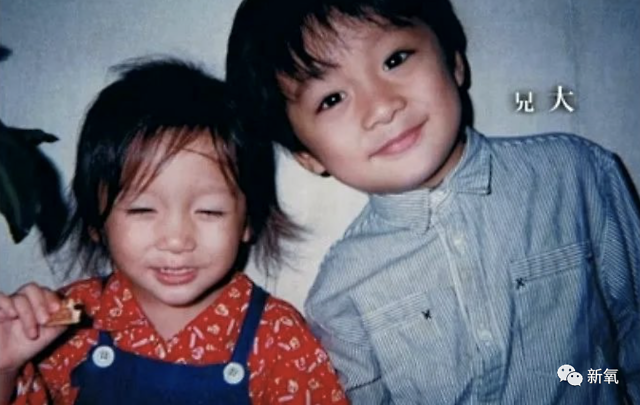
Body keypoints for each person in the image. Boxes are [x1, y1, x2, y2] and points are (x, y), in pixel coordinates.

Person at [225, 0, 640, 403]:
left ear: (453, 60)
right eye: (332, 98)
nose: (382, 107)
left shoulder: (575, 175)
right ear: (307, 155)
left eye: (395, 59)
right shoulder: (340, 294)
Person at [0, 58, 348, 405]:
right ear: (95, 222)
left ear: (248, 221)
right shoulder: (66, 320)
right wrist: (5, 367)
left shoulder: (276, 335)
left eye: (209, 211)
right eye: (142, 210)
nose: (177, 240)